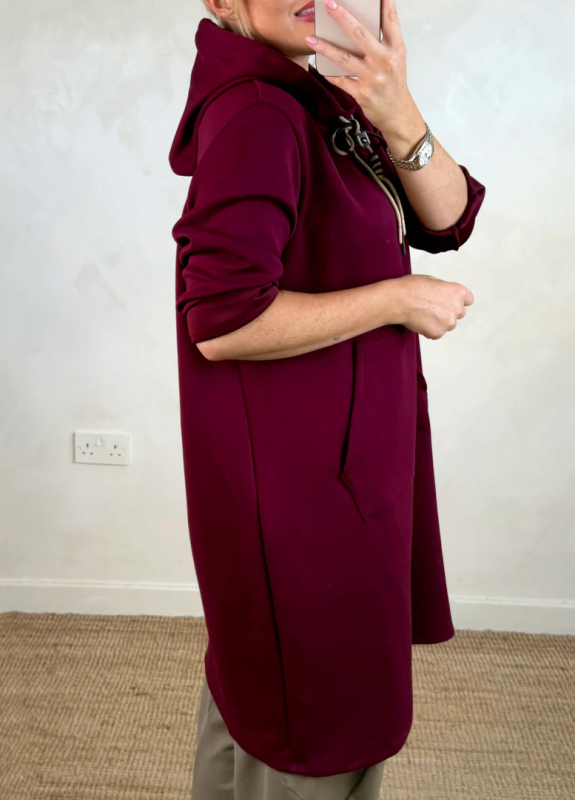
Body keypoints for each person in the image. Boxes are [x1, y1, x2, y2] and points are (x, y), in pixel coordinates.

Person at [169, 0, 486, 796]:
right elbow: (223, 318)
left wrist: (396, 105)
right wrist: (398, 299)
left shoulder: (320, 98)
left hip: (339, 463)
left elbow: (448, 215)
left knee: (266, 699)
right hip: (302, 486)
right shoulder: (259, 115)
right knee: (315, 723)